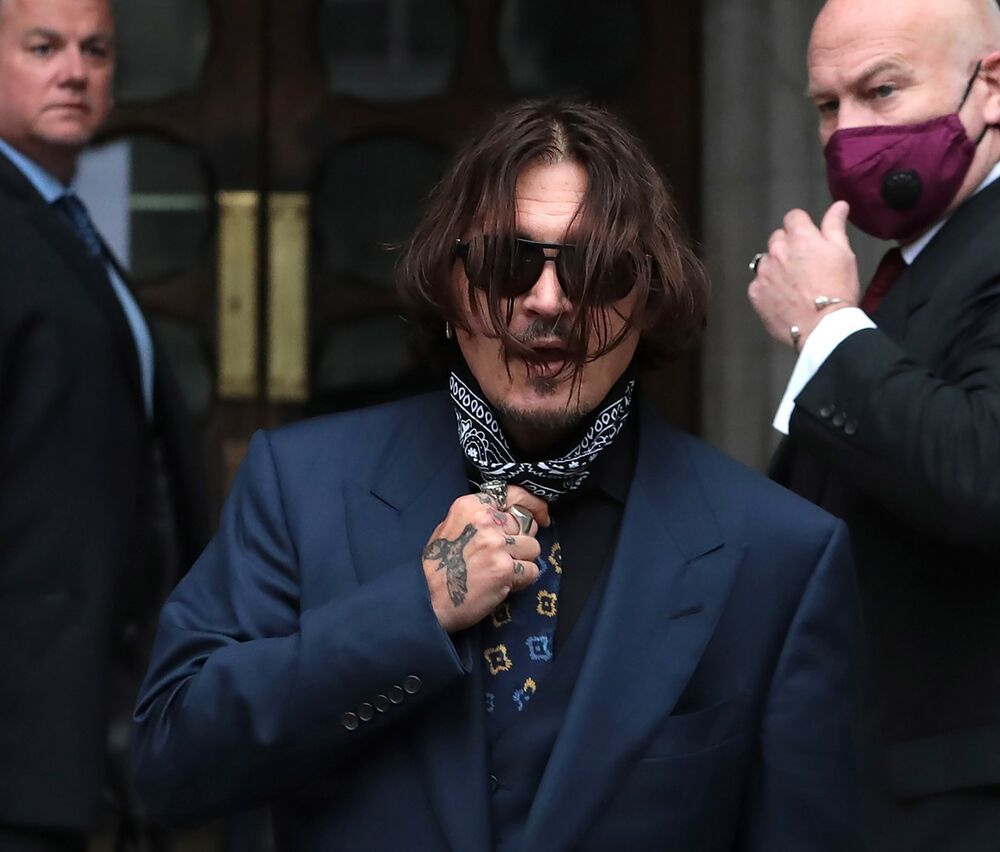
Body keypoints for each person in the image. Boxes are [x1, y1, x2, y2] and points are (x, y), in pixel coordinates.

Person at [134, 101, 859, 851]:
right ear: (448, 286)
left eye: (596, 268)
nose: (547, 300)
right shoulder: (302, 486)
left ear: (649, 299)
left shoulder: (776, 552)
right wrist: (415, 611)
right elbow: (172, 766)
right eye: (506, 263)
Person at [747, 0, 1000, 848]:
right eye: (828, 105)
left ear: (991, 87)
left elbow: (981, 471)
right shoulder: (917, 266)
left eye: (881, 91)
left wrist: (823, 325)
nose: (849, 134)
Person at [0, 0, 208, 849]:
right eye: (42, 47)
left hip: (92, 708)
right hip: (24, 723)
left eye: (96, 50)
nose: (74, 72)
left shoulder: (60, 220)